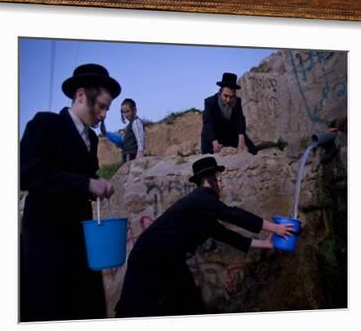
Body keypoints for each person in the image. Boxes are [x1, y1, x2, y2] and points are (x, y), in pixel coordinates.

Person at [115, 156, 294, 318]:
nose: (222, 185)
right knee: (136, 311)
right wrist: (276, 228)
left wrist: (266, 243)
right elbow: (234, 215)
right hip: (148, 259)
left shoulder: (201, 210)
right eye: (220, 180)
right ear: (209, 181)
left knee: (188, 303)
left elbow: (227, 236)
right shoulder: (202, 198)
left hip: (170, 260)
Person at [19, 63, 120, 322]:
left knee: (87, 311)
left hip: (81, 239)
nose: (103, 115)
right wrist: (86, 184)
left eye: (107, 109)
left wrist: (98, 186)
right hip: (46, 242)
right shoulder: (45, 124)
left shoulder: (93, 139)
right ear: (81, 95)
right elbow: (28, 174)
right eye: (101, 106)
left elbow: (83, 177)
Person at [201, 72, 258, 155]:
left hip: (230, 134)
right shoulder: (210, 102)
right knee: (208, 157)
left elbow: (240, 120)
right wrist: (215, 142)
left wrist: (241, 139)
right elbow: (208, 124)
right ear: (220, 93)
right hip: (213, 135)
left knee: (253, 151)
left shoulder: (237, 101)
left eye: (231, 97)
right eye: (225, 96)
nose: (228, 100)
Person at [101, 98, 146, 162]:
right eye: (124, 112)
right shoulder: (129, 125)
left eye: (128, 111)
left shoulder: (136, 122)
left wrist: (140, 151)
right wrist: (107, 134)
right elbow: (121, 140)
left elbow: (140, 137)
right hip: (128, 155)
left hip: (132, 154)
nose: (126, 115)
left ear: (135, 110)